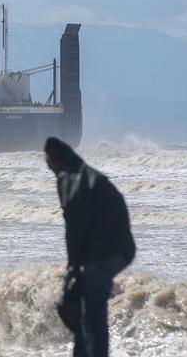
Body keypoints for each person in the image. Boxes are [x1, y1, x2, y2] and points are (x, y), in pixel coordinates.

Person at [44, 137, 135, 357]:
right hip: (117, 247)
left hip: (106, 251)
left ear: (54, 160)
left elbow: (75, 223)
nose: (47, 166)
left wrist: (73, 262)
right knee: (86, 310)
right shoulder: (81, 172)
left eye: (48, 161)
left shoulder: (69, 178)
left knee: (93, 312)